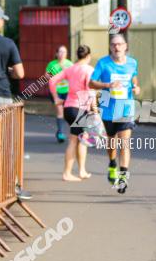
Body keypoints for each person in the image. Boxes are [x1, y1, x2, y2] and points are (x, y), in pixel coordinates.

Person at [89, 32, 139, 193]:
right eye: (113, 44)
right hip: (108, 110)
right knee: (112, 142)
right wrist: (107, 85)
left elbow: (134, 78)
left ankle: (123, 177)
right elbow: (91, 83)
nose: (117, 47)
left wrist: (136, 87)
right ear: (110, 48)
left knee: (124, 143)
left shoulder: (132, 63)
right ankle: (112, 163)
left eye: (120, 44)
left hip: (125, 109)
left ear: (125, 47)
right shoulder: (103, 63)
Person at [49, 45, 95, 182]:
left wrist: (56, 98)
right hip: (80, 108)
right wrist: (95, 109)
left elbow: (52, 80)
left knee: (81, 138)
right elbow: (91, 90)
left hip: (68, 108)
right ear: (88, 56)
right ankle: (67, 173)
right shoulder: (89, 69)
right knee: (76, 140)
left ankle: (81, 171)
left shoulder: (71, 68)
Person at [46, 45, 73, 143]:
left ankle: (61, 131)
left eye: (64, 52)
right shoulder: (52, 64)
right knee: (60, 112)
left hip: (67, 91)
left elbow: (73, 78)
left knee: (68, 113)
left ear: (66, 54)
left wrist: (64, 71)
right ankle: (61, 133)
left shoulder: (69, 64)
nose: (62, 54)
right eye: (60, 52)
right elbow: (47, 77)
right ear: (56, 54)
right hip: (56, 92)